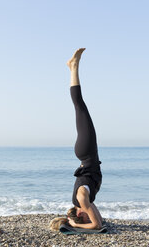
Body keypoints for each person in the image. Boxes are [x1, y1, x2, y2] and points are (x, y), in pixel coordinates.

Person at [50, 48, 103, 231]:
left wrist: (73, 224)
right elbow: (98, 220)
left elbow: (97, 225)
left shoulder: (81, 199)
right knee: (80, 108)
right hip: (86, 155)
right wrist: (73, 221)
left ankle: (73, 67)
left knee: (80, 106)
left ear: (81, 214)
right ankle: (72, 67)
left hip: (87, 153)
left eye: (87, 214)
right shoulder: (84, 201)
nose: (93, 212)